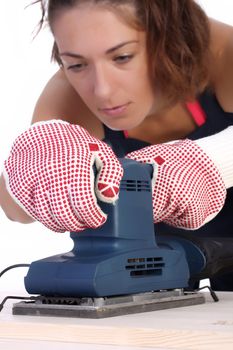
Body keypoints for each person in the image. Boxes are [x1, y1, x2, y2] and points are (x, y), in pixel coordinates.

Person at [0, 0, 233, 289]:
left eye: (122, 57)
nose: (102, 90)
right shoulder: (69, 94)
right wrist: (36, 170)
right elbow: (13, 209)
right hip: (159, 269)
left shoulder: (225, 54)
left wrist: (212, 160)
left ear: (168, 35)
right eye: (76, 64)